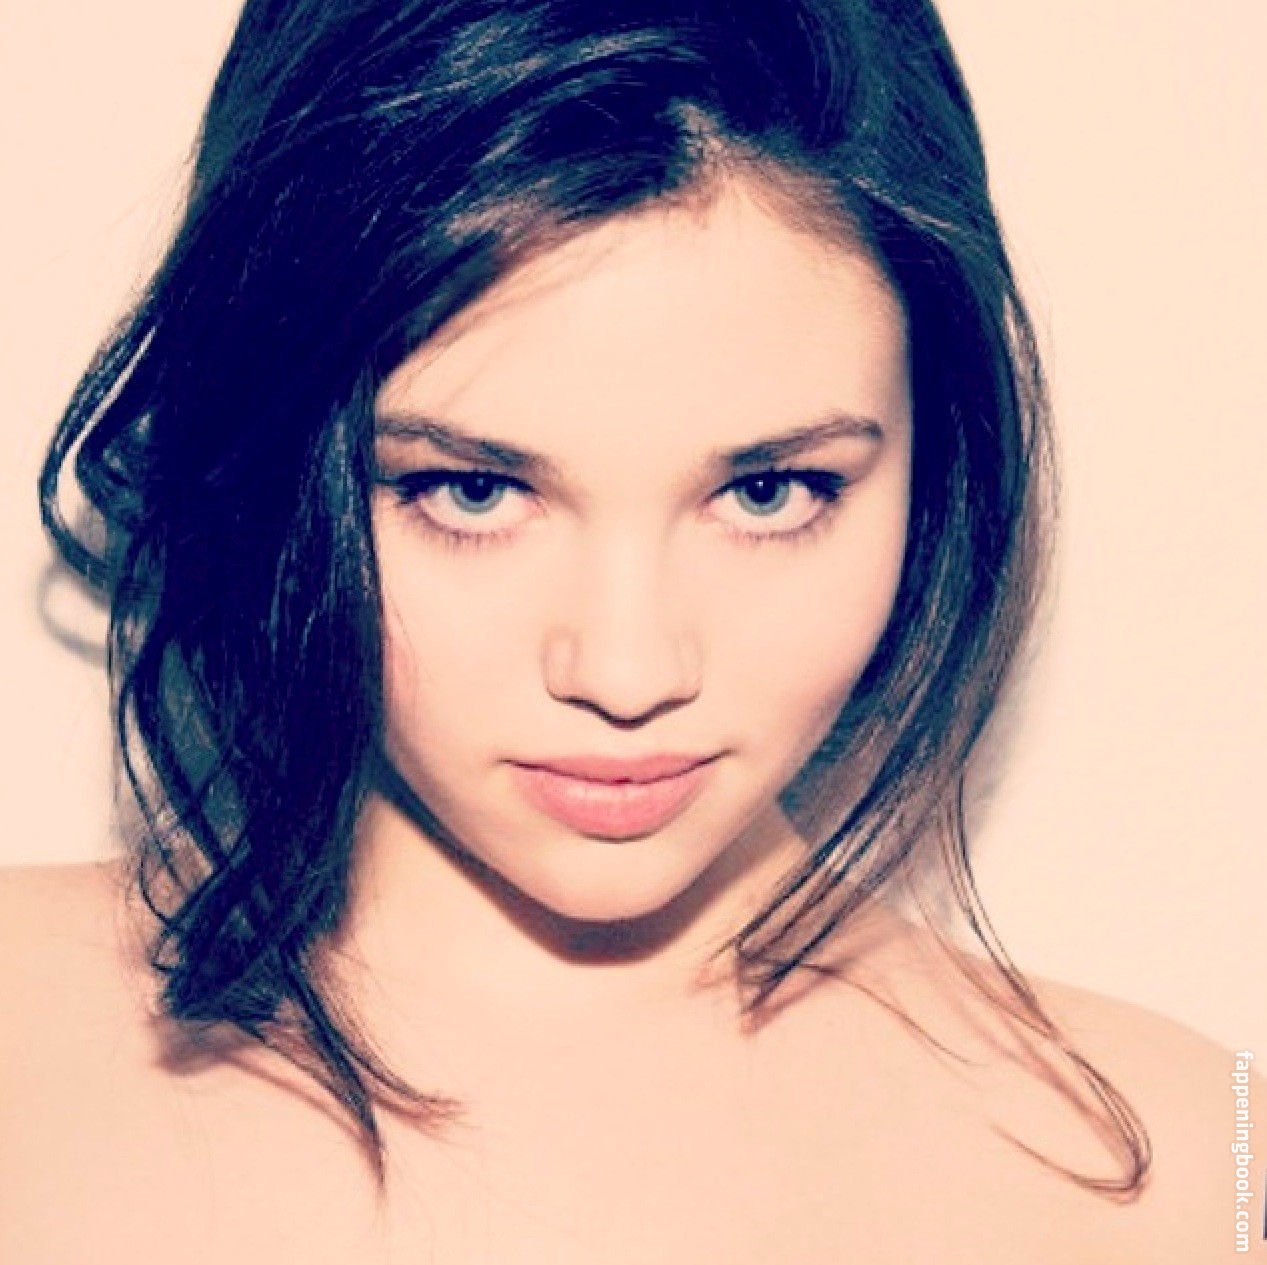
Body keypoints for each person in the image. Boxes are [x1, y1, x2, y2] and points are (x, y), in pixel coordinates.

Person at [1, 0, 1259, 1260]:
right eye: (471, 491)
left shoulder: (1195, 1175)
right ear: (272, 454)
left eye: (768, 492)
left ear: (934, 473)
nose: (626, 669)